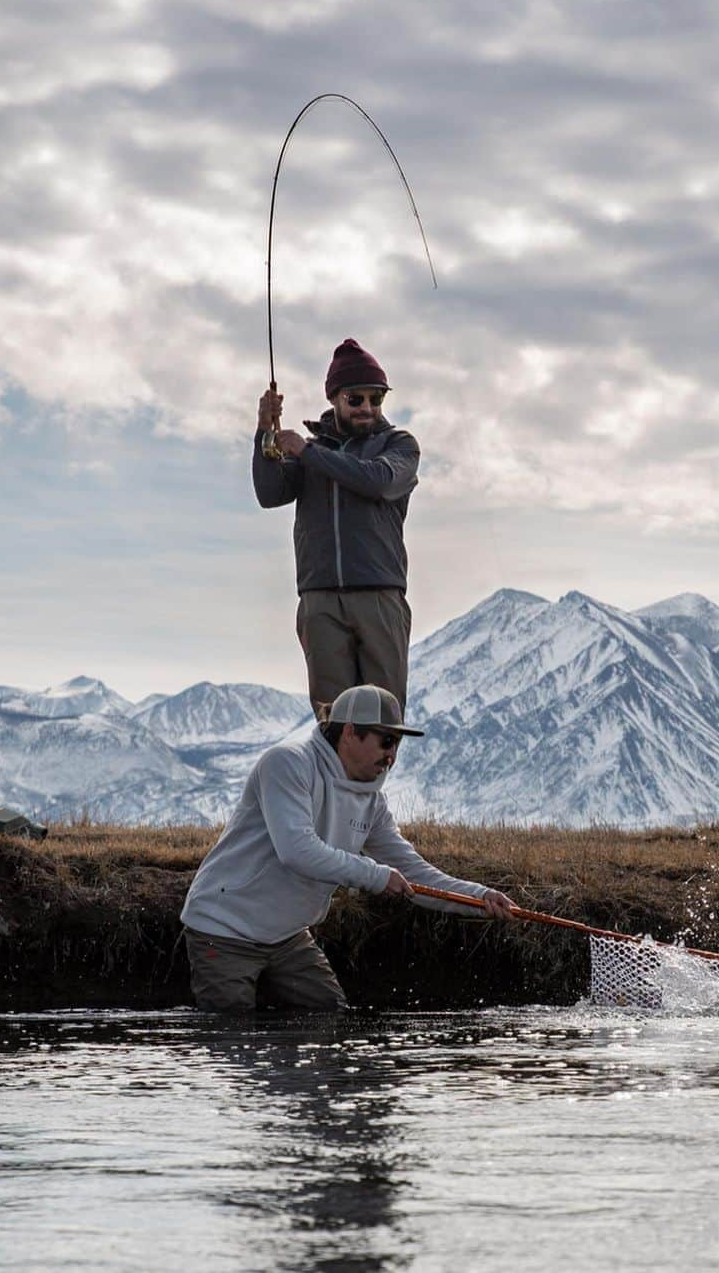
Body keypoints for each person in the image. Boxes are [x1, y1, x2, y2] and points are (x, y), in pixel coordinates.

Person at [180, 684, 515, 1013]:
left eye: (397, 744)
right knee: (229, 1029)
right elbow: (297, 850)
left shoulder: (373, 802)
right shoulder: (286, 763)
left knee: (329, 1015)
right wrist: (374, 875)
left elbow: (412, 872)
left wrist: (478, 897)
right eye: (386, 741)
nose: (392, 755)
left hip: (286, 937)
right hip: (222, 928)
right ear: (351, 732)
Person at [254, 338, 419, 715]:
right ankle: (333, 777)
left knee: (382, 718)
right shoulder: (310, 453)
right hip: (320, 599)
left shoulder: (399, 445)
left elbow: (378, 481)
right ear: (334, 398)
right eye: (355, 399)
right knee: (334, 721)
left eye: (375, 399)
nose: (367, 408)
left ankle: (373, 776)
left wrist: (308, 452)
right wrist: (265, 432)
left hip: (380, 597)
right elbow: (270, 492)